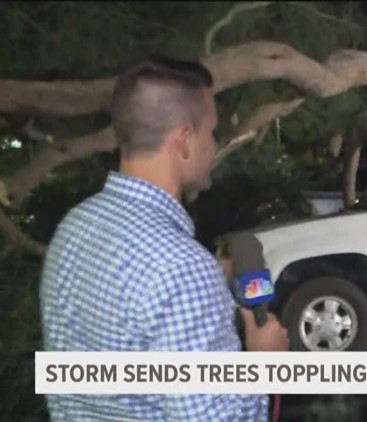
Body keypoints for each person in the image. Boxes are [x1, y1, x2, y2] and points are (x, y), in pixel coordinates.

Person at [40, 56, 288, 421]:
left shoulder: (75, 227)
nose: (214, 145)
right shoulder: (183, 269)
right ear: (185, 140)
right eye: (211, 132)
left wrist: (209, 282)